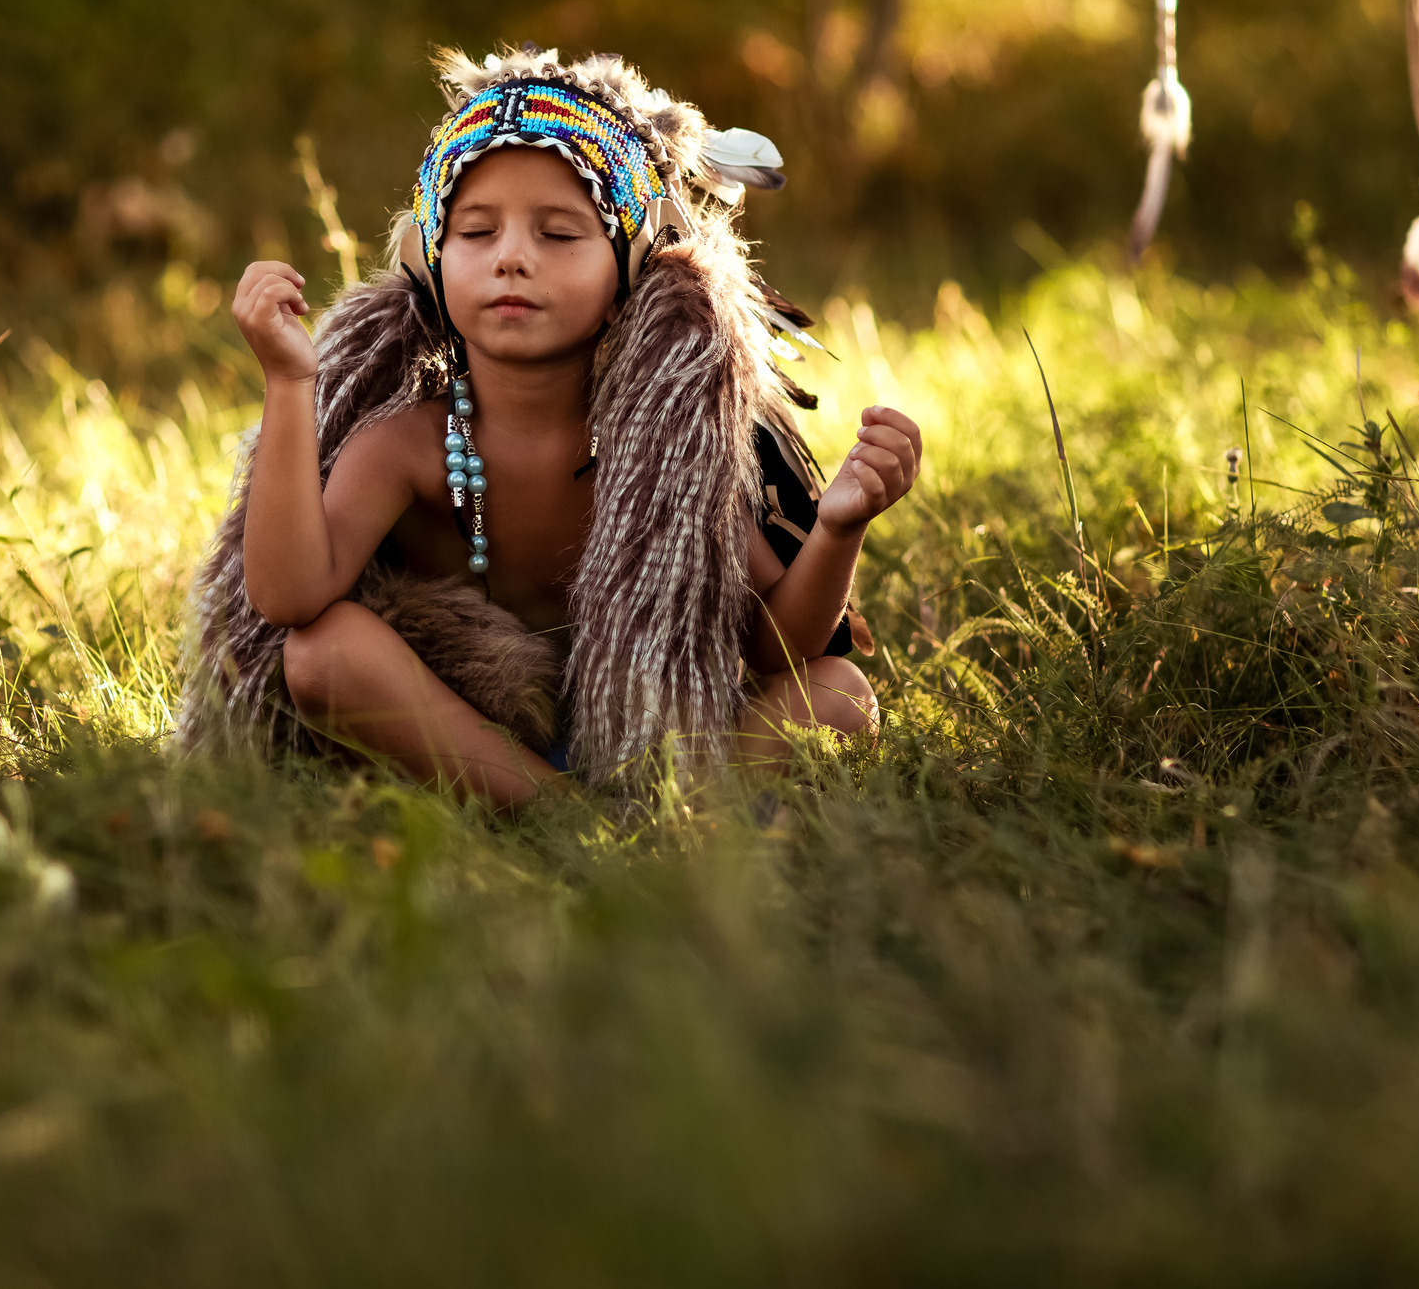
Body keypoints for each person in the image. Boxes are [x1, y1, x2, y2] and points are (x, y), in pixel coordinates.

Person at [179, 47, 921, 807]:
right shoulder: (409, 445)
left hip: (654, 739)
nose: (511, 259)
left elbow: (776, 650)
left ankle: (656, 811)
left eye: (559, 235)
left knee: (839, 692)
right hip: (469, 741)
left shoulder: (660, 452)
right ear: (428, 263)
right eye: (475, 232)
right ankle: (566, 815)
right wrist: (291, 380)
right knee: (321, 656)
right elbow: (290, 596)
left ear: (632, 270)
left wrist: (838, 528)